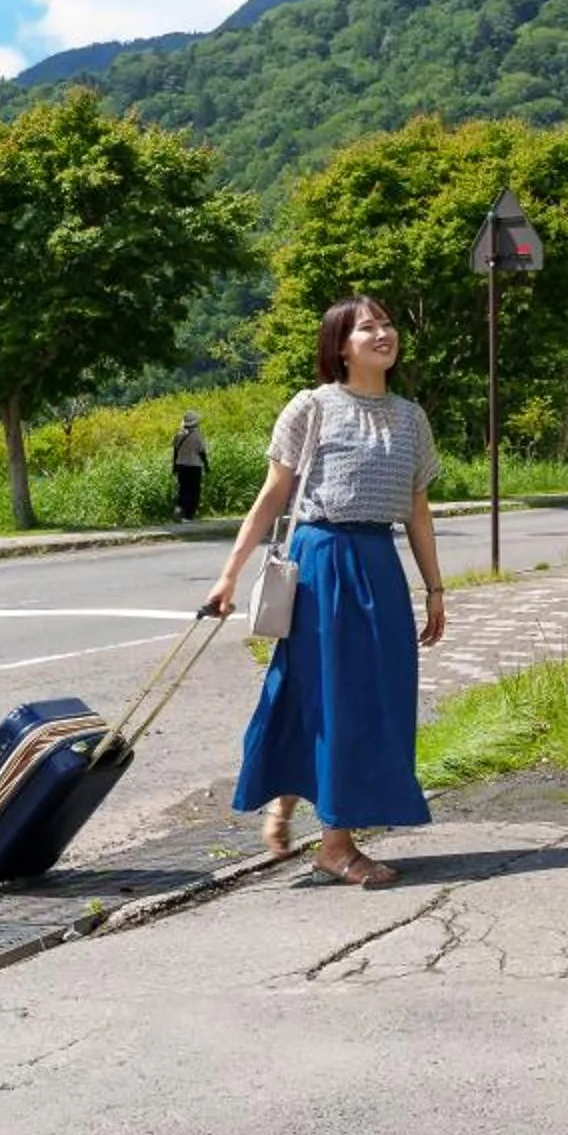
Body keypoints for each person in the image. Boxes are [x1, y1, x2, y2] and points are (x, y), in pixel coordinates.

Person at [203, 297, 449, 888]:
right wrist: (229, 574)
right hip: (322, 561)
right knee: (332, 693)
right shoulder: (311, 407)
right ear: (341, 345)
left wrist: (435, 588)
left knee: (368, 696)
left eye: (387, 325)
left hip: (378, 563)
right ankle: (335, 846)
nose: (384, 334)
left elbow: (417, 508)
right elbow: (272, 497)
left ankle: (289, 802)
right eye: (369, 327)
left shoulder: (410, 417)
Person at [170, 410, 209, 522]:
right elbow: (202, 452)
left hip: (181, 465)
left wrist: (174, 466)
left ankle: (179, 512)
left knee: (183, 489)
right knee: (194, 490)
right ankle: (189, 515)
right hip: (194, 466)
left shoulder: (178, 435)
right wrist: (206, 465)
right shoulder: (197, 436)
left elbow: (175, 452)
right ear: (195, 423)